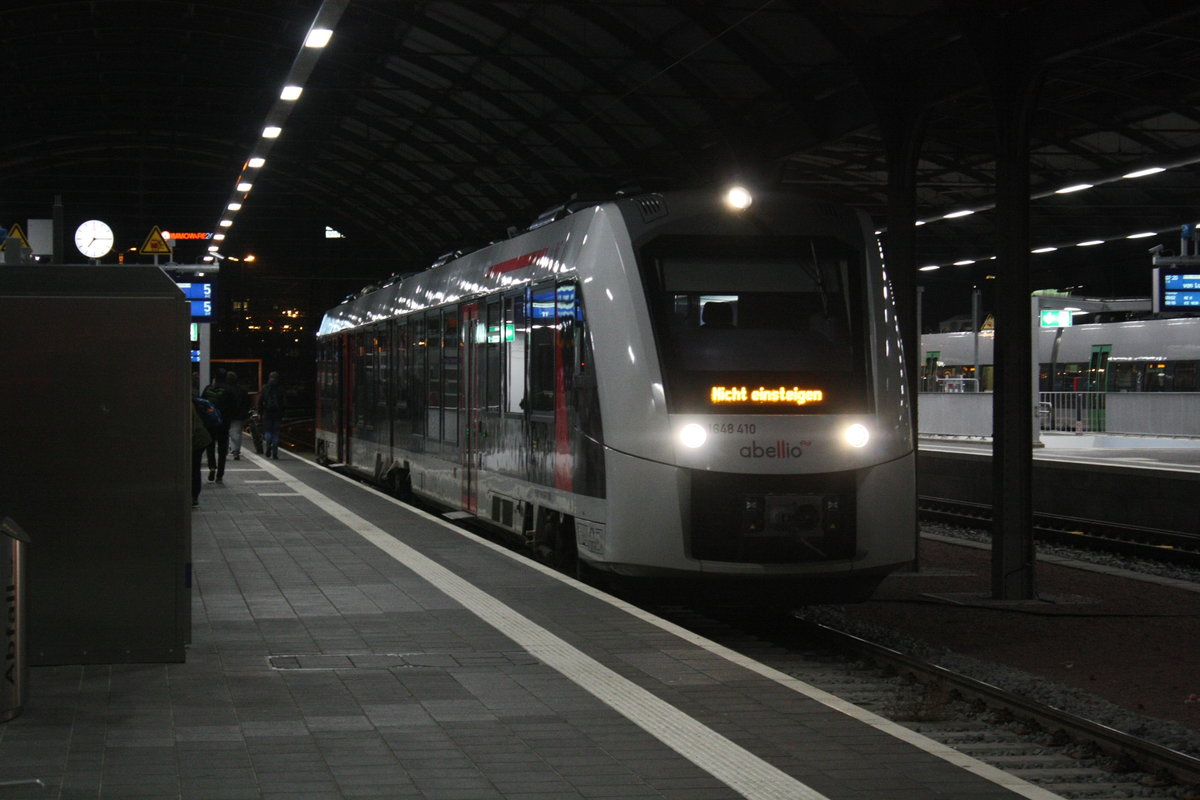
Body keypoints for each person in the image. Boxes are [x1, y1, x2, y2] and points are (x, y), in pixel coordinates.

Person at [201, 372, 235, 482]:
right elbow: (234, 406)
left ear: (215, 378)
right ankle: (220, 475)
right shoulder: (229, 390)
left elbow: (202, 403)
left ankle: (212, 467)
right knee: (222, 449)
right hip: (224, 423)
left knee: (210, 446)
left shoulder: (208, 389)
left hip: (210, 423)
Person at [190, 396, 213, 507]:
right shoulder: (192, 403)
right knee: (195, 468)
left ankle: (194, 496)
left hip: (196, 441)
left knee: (193, 468)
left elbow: (191, 427)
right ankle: (194, 496)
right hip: (201, 439)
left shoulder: (186, 405)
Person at [223, 370, 251, 461]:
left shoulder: (224, 389)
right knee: (236, 433)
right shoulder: (241, 390)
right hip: (239, 415)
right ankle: (235, 451)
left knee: (224, 433)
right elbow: (247, 403)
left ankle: (224, 451)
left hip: (226, 414)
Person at [258, 371, 285, 459]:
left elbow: (260, 401)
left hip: (267, 413)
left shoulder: (265, 388)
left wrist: (260, 413)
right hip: (278, 413)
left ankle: (268, 443)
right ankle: (275, 452)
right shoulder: (280, 389)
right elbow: (284, 403)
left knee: (268, 431)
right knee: (276, 433)